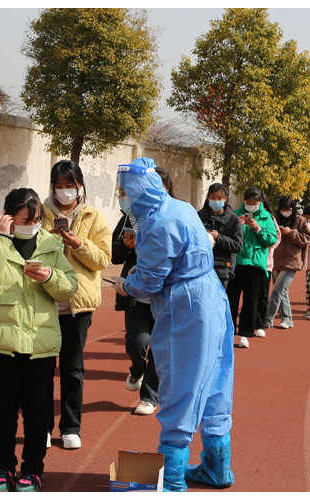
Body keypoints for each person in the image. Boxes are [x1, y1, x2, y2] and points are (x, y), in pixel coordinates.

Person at [113, 157, 235, 492]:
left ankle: (171, 478)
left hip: (188, 306)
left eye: (125, 189)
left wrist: (125, 285)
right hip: (212, 295)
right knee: (216, 381)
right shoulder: (179, 207)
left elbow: (150, 282)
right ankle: (216, 466)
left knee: (182, 383)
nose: (122, 196)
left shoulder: (156, 223)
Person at [0, 188, 78, 492]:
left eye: (37, 218)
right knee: (4, 407)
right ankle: (3, 467)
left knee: (36, 408)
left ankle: (33, 469)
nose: (33, 223)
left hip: (40, 341)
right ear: (9, 218)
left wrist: (49, 277)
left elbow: (69, 287)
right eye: (26, 219)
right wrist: (2, 239)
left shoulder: (50, 244)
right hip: (3, 341)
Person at [41, 160, 112, 451]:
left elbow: (102, 260)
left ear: (80, 185)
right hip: (43, 301)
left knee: (72, 368)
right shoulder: (40, 212)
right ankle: (42, 427)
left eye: (69, 185)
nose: (64, 191)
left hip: (77, 306)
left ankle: (70, 427)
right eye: (58, 185)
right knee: (42, 368)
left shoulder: (94, 217)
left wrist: (77, 244)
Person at [110, 172, 178, 417]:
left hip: (165, 296)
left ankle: (149, 396)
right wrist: (125, 246)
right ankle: (137, 368)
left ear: (166, 189)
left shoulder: (175, 215)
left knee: (160, 347)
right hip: (136, 294)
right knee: (137, 342)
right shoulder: (130, 217)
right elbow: (114, 256)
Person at [227, 188, 277, 348]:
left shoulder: (266, 216)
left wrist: (257, 228)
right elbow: (227, 236)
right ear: (244, 201)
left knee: (251, 301)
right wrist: (238, 226)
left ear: (260, 202)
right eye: (248, 203)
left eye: (254, 203)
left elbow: (271, 240)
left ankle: (245, 335)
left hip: (255, 265)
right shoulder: (235, 214)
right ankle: (227, 332)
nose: (251, 206)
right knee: (231, 300)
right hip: (237, 264)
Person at [264, 196, 310, 329]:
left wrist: (291, 233)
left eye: (288, 208)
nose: (286, 211)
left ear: (293, 208)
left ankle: (268, 318)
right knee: (283, 291)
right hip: (276, 260)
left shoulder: (300, 220)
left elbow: (306, 239)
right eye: (283, 209)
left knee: (277, 290)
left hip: (292, 262)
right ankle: (287, 318)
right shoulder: (275, 220)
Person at [197, 183, 244, 290]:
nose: (216, 201)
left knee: (219, 303)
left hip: (222, 270)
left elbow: (237, 246)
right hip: (201, 267)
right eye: (213, 197)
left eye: (219, 198)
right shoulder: (199, 216)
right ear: (208, 198)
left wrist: (219, 237)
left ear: (225, 198)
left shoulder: (233, 220)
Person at [254, 193, 281, 338]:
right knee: (250, 294)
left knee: (263, 295)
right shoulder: (245, 217)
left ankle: (260, 323)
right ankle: (251, 321)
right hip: (250, 263)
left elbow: (276, 238)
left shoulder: (270, 219)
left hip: (266, 263)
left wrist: (267, 245)